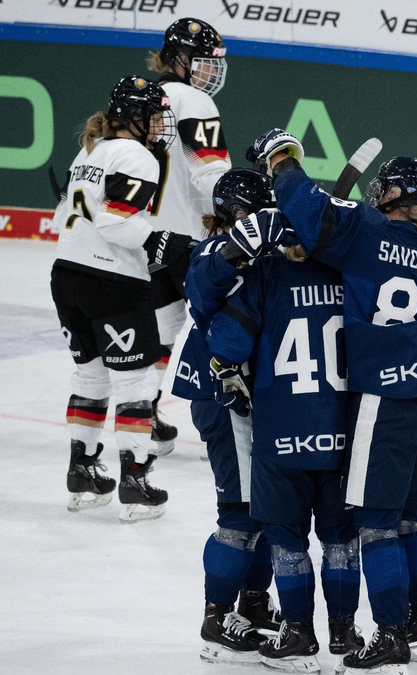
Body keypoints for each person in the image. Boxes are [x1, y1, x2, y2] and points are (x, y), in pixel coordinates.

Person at [252, 129, 417, 671]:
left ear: (393, 195)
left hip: (387, 400)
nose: (376, 193)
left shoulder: (366, 229)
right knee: (413, 518)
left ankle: (390, 638)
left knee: (378, 526)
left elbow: (305, 206)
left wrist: (283, 159)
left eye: (384, 188)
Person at [206, 201, 364, 671]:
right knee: (340, 539)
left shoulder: (265, 274)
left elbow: (227, 343)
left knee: (287, 541)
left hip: (282, 432)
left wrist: (230, 372)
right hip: (343, 433)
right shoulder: (351, 274)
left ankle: (297, 633)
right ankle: (344, 631)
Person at [52, 76, 188, 523]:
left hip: (66, 274)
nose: (159, 125)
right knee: (137, 383)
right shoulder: (136, 155)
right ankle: (136, 481)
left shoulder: (89, 151)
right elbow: (117, 223)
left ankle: (82, 472)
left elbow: (61, 215)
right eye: (153, 116)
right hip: (111, 281)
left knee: (90, 376)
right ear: (132, 116)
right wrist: (167, 243)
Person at [174, 169, 283, 663]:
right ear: (240, 214)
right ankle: (216, 620)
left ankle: (254, 604)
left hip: (255, 396)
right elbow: (205, 286)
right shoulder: (214, 251)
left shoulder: (262, 253)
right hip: (222, 399)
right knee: (239, 513)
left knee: (265, 510)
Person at [146, 17, 233, 453]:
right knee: (228, 324)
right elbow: (211, 173)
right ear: (179, 58)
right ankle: (232, 422)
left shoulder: (144, 98)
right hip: (190, 242)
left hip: (144, 239)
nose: (211, 71)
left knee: (164, 325)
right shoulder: (195, 101)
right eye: (203, 61)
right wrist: (242, 209)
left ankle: (140, 414)